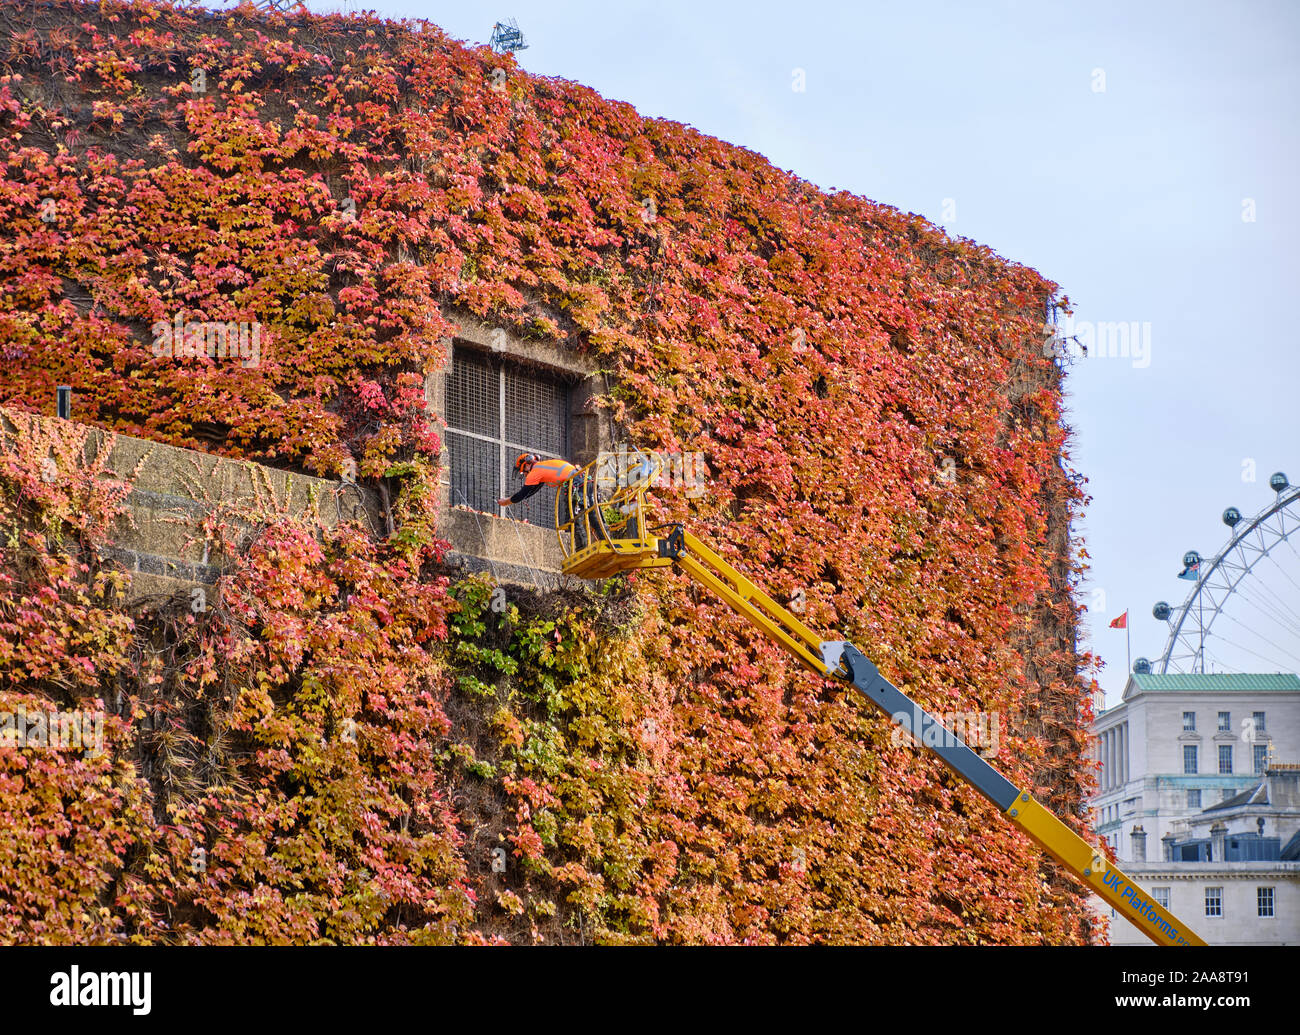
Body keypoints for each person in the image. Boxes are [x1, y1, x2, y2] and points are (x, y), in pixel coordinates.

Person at [498, 453, 596, 546]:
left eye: (523, 471)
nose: (524, 474)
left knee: (573, 520)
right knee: (594, 514)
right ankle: (605, 539)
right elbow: (533, 490)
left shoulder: (535, 472)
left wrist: (506, 501)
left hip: (577, 485)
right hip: (586, 480)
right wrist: (518, 498)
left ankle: (582, 549)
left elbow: (522, 494)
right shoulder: (543, 467)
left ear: (527, 464)